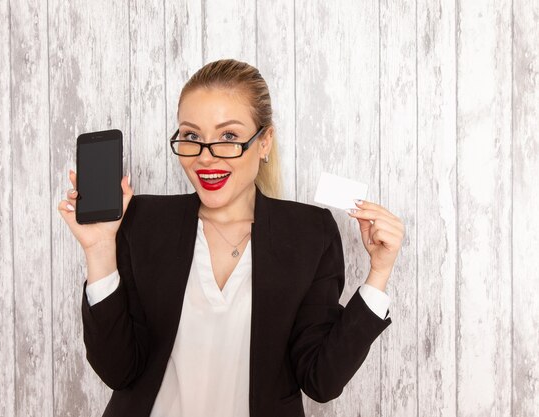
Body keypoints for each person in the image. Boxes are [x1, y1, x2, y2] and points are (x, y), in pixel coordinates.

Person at [58, 59, 405, 417]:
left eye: (228, 137)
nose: (206, 158)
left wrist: (378, 274)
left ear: (264, 141)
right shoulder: (142, 222)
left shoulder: (309, 234)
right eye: (192, 136)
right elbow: (118, 369)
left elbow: (321, 381)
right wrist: (100, 249)